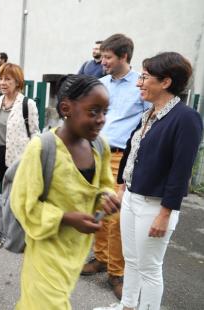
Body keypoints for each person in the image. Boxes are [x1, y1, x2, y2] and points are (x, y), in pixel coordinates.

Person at [94, 53, 203, 310]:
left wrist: (165, 213)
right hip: (132, 198)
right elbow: (132, 154)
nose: (138, 82)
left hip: (155, 206)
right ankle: (128, 306)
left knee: (150, 268)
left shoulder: (185, 118)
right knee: (131, 260)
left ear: (165, 82)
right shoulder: (149, 114)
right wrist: (122, 189)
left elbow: (180, 171)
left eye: (144, 76)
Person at [11, 74, 120, 309]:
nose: (101, 119)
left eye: (105, 112)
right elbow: (23, 204)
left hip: (77, 250)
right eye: (93, 111)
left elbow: (103, 185)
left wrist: (106, 199)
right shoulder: (41, 148)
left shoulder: (99, 146)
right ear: (66, 108)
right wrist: (65, 217)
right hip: (46, 251)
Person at [81, 34, 147, 299]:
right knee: (98, 207)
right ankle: (100, 258)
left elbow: (148, 121)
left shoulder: (141, 84)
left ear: (124, 57)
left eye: (108, 57)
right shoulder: (101, 83)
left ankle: (117, 272)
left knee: (117, 217)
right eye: (102, 56)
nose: (103, 61)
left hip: (121, 156)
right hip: (95, 153)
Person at [0, 63, 39, 246]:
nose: (2, 82)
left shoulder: (27, 104)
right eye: (0, 78)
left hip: (17, 159)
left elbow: (35, 133)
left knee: (8, 200)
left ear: (17, 82)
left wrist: (34, 159)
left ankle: (4, 233)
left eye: (7, 79)